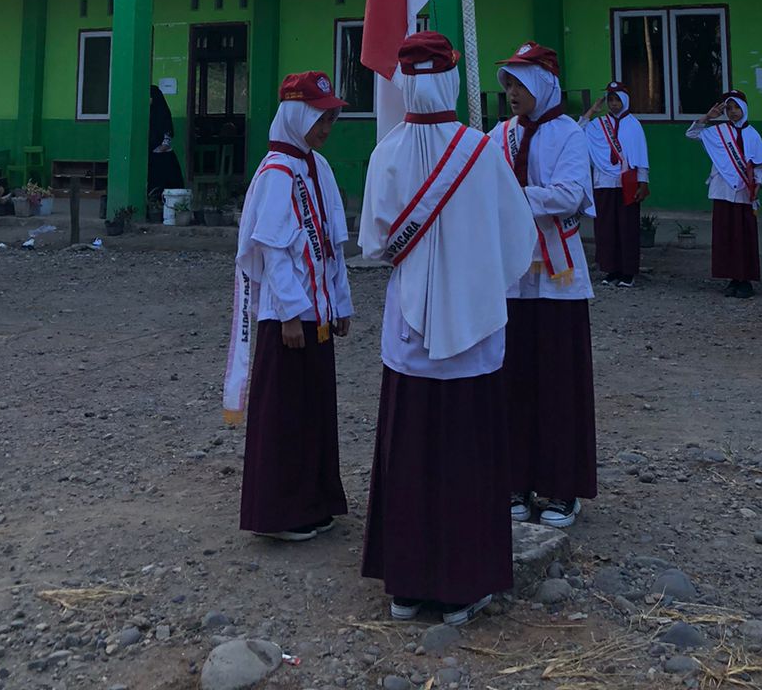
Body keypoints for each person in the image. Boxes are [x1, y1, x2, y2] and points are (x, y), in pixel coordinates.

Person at [359, 31, 537, 627]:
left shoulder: (385, 152)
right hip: (473, 330)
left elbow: (376, 243)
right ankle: (462, 586)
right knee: (465, 455)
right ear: (453, 80)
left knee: (409, 453)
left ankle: (406, 587)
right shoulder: (481, 151)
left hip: (409, 328)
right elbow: (518, 238)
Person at [224, 71, 353, 541]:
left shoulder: (317, 167)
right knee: (285, 415)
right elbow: (273, 249)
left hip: (317, 314)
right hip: (289, 320)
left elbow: (332, 243)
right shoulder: (278, 172)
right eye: (320, 118)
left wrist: (339, 303)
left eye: (331, 119)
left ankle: (315, 500)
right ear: (297, 115)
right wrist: (293, 313)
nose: (326, 128)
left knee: (315, 410)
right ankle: (281, 512)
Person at [494, 41, 597, 531]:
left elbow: (571, 195)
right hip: (513, 277)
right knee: (512, 379)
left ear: (543, 83)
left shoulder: (569, 135)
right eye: (508, 84)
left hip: (559, 278)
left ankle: (561, 484)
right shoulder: (500, 134)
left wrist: (515, 195)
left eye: (519, 82)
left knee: (559, 383)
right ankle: (513, 478)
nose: (512, 92)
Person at [686, 91, 762, 298]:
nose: (733, 112)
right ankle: (731, 276)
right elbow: (692, 134)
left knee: (744, 236)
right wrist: (708, 117)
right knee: (726, 235)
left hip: (744, 192)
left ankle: (746, 279)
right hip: (722, 190)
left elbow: (759, 165)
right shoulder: (718, 131)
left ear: (744, 109)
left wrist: (758, 183)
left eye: (736, 108)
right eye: (729, 108)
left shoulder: (753, 134)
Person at [580, 81, 648, 286]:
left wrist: (643, 182)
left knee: (627, 227)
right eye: (610, 99)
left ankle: (628, 271)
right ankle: (611, 269)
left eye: (617, 99)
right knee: (605, 227)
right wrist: (592, 110)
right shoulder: (598, 124)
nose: (614, 104)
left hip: (627, 182)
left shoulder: (633, 125)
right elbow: (578, 131)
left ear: (625, 101)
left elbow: (641, 155)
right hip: (604, 181)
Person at [148, 85, 183, 200]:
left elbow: (166, 134)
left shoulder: (162, 113)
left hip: (162, 155)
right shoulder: (148, 113)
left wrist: (161, 148)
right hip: (151, 153)